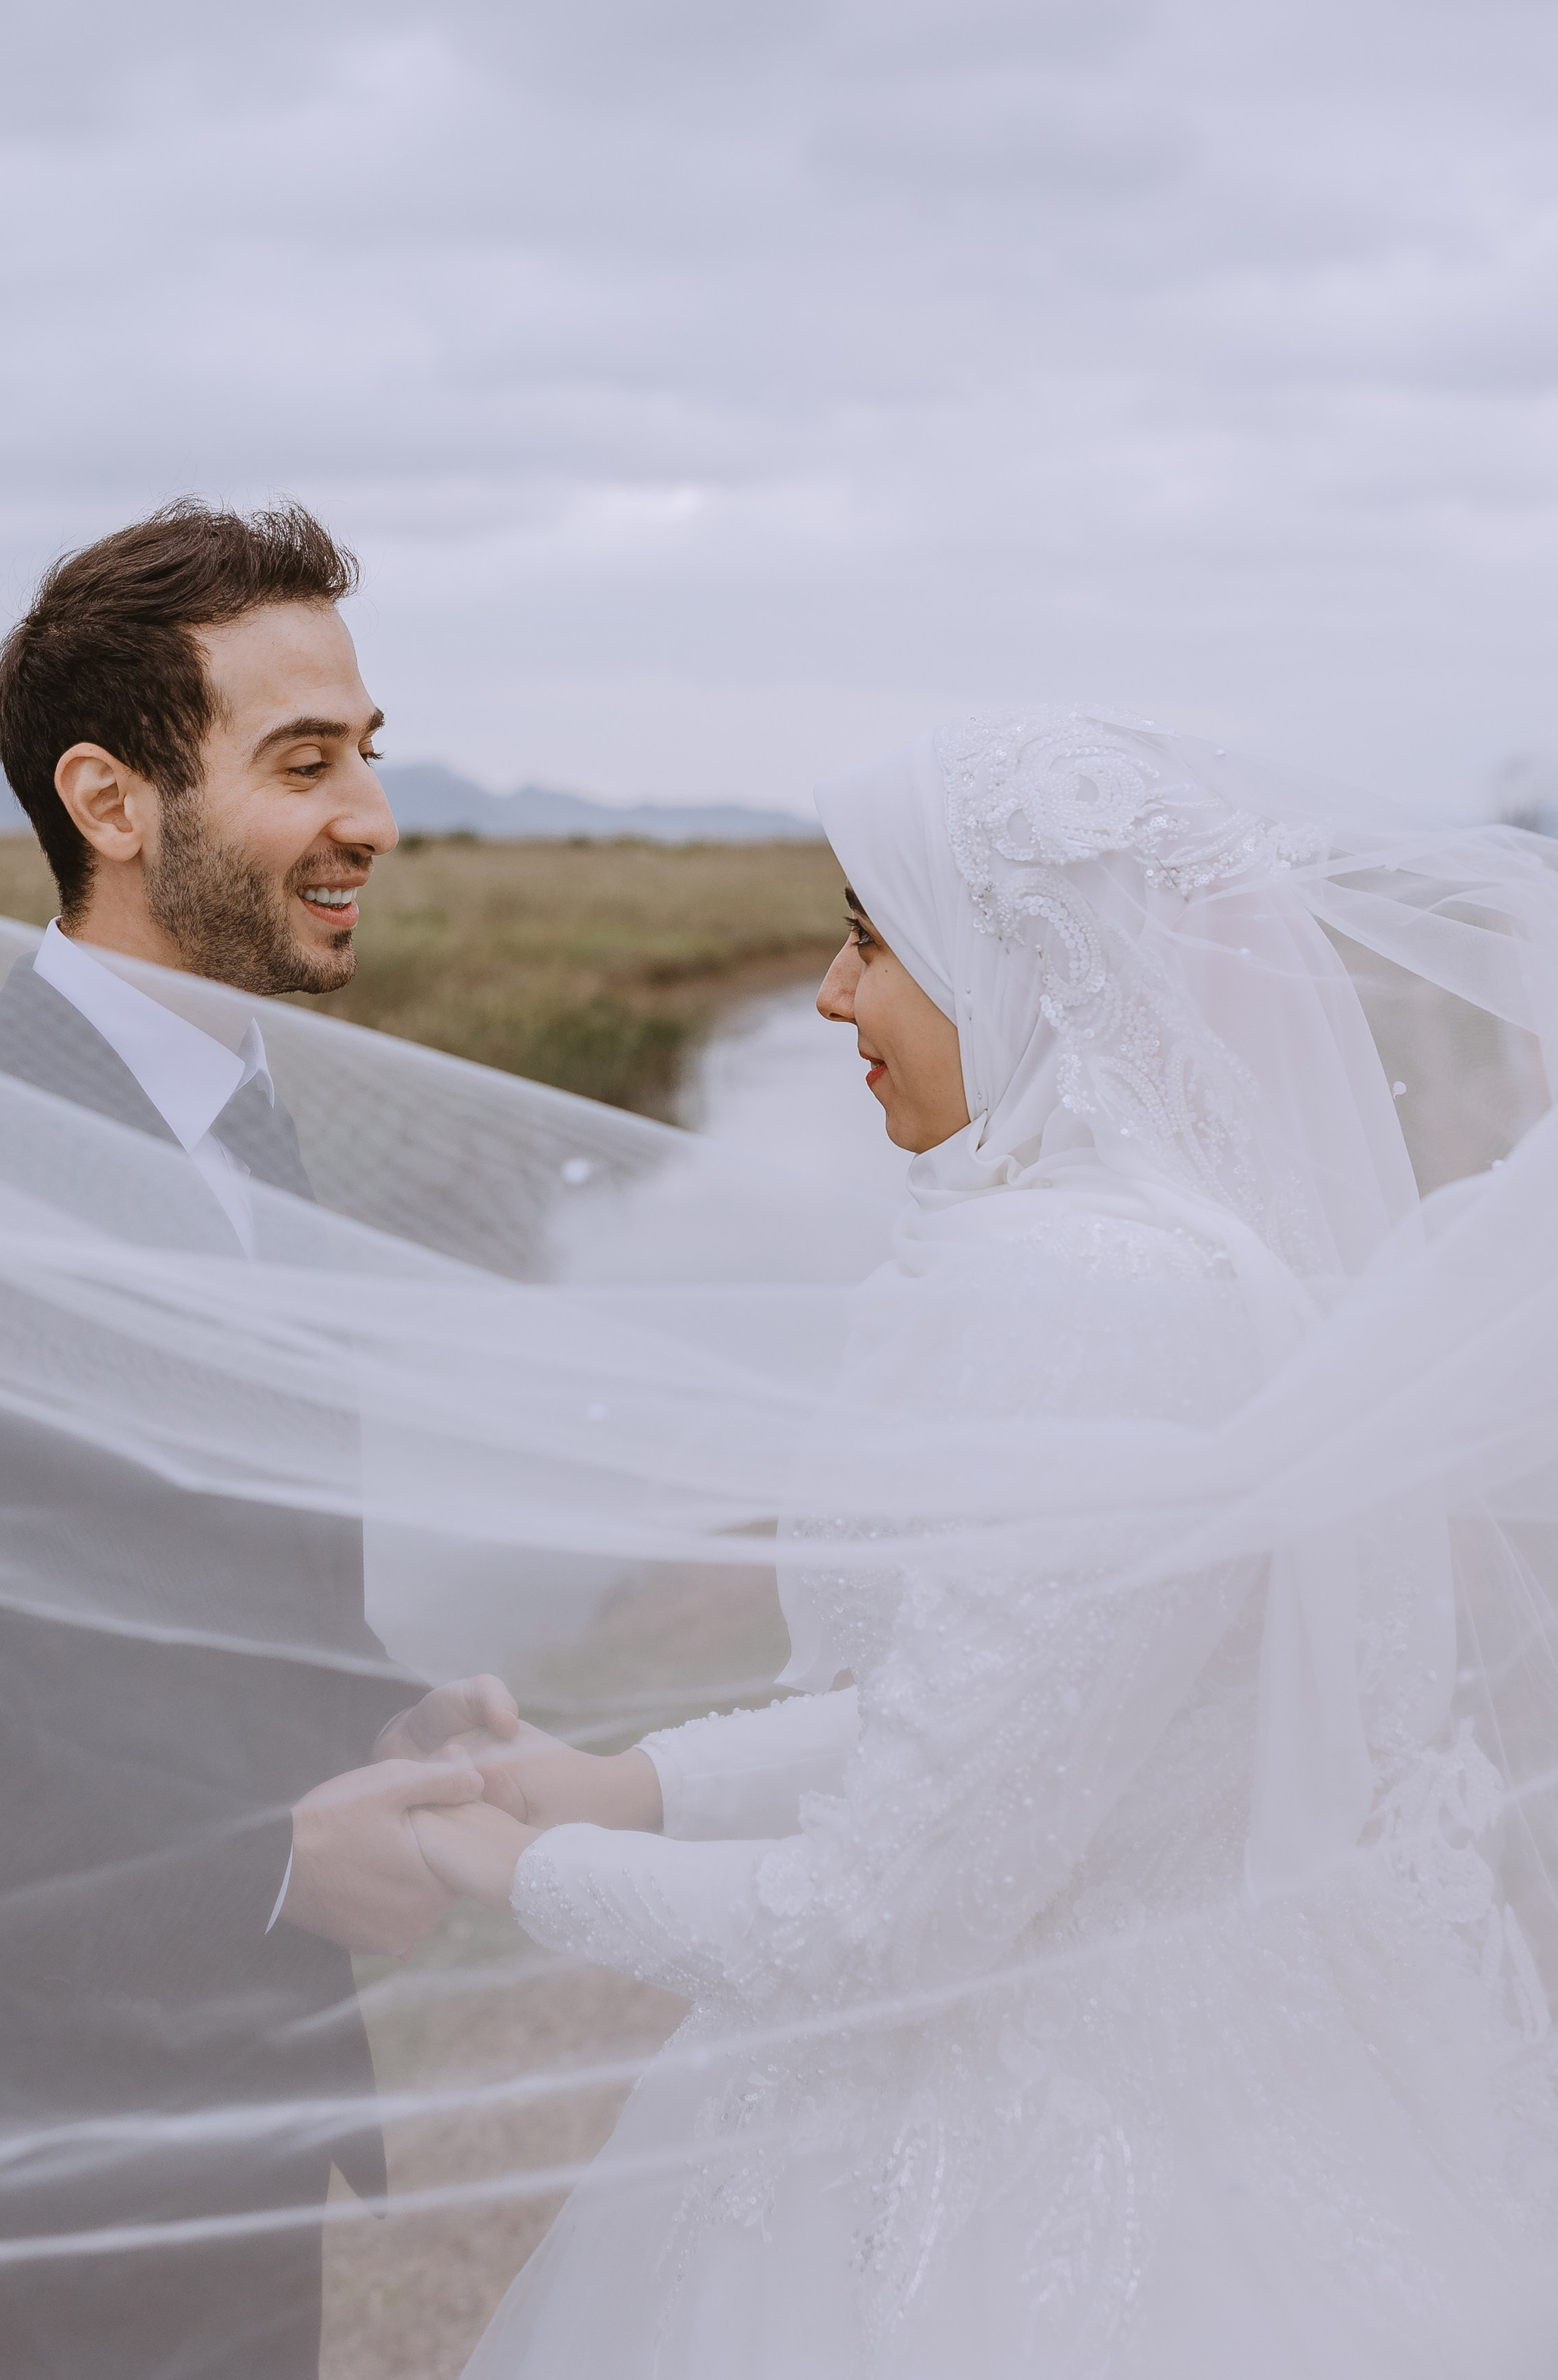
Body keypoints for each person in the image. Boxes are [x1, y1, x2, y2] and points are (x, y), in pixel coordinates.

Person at [405, 708, 1558, 2379]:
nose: (827, 994)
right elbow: (993, 1717)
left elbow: (880, 1921)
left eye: (873, 938)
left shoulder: (1085, 1299)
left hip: (1043, 2190)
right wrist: (628, 1789)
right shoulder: (1163, 1253)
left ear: (1024, 964)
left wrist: (513, 1871)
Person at [0, 500, 516, 2379]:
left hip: (241, 2145)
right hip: (16, 2216)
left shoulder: (246, 1129)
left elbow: (162, 1615)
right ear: (112, 799)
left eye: (365, 757)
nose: (369, 820)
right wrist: (263, 1863)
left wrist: (377, 1713)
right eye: (300, 763)